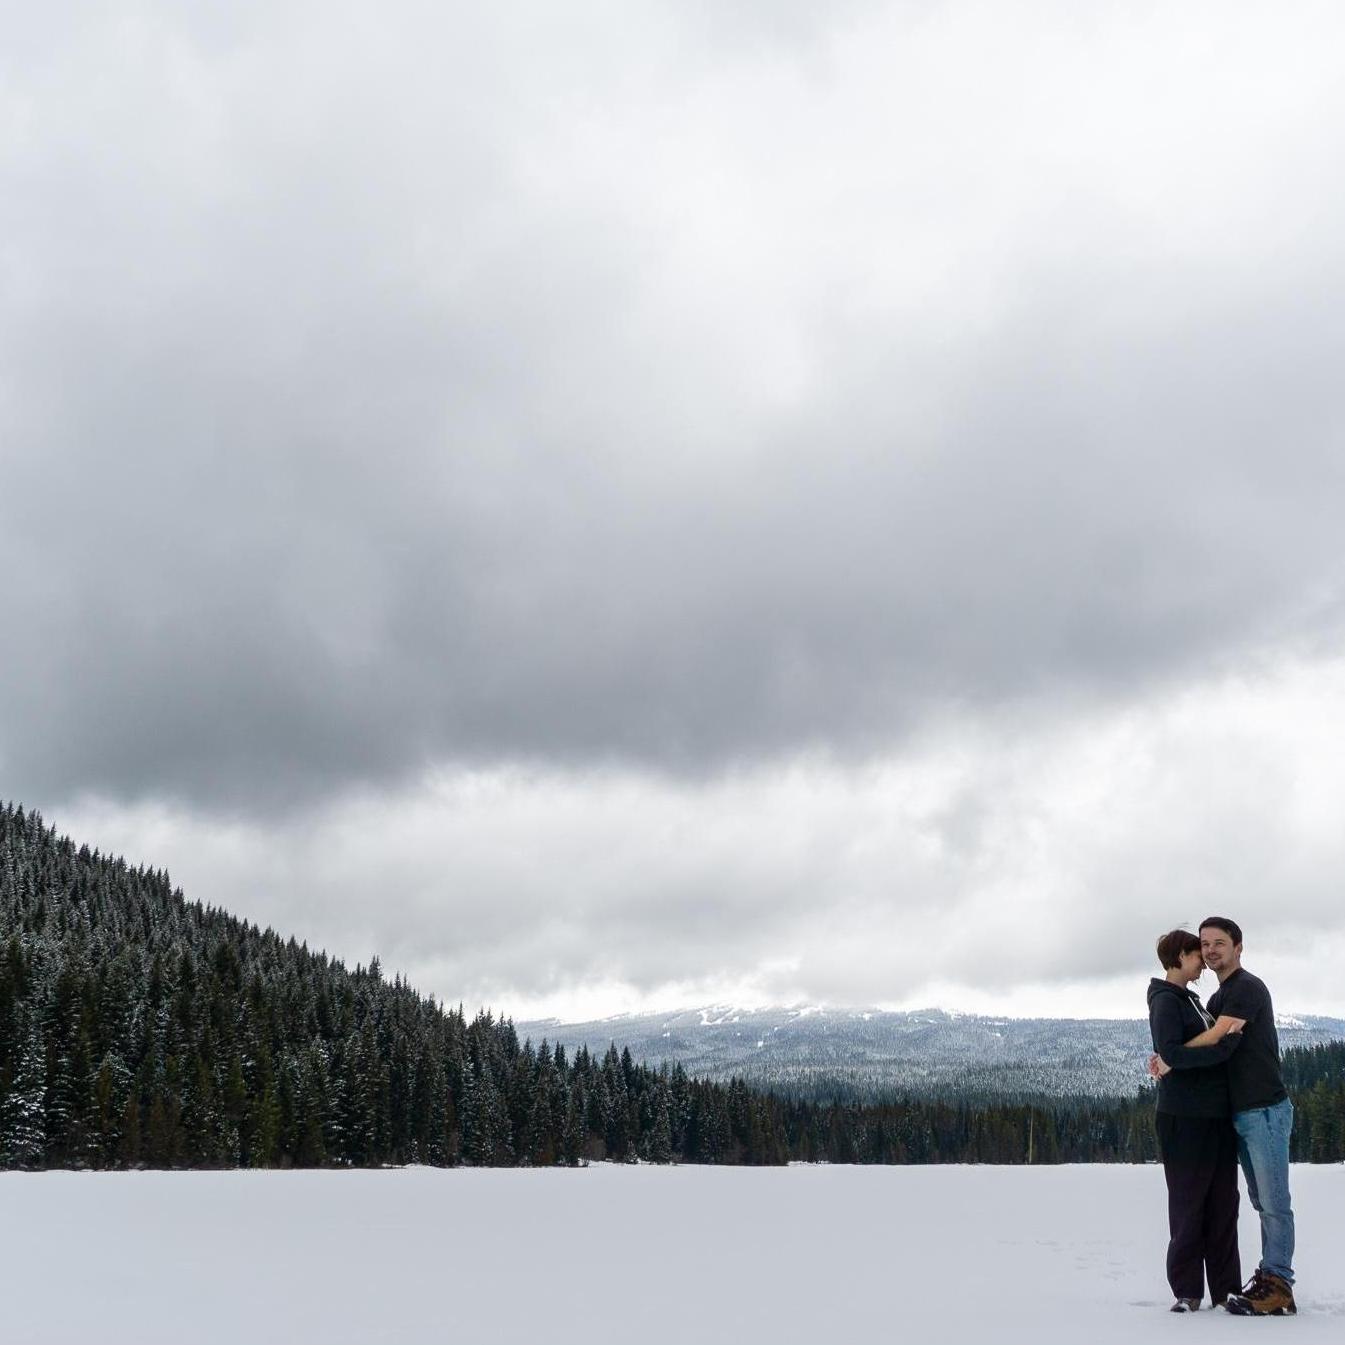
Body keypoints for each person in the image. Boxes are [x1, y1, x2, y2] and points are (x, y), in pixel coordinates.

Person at [1200, 917, 1296, 1316]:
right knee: (1261, 1200)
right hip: (1241, 1114)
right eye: (1205, 944)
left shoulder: (1246, 988)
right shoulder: (1217, 997)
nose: (1211, 950)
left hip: (1265, 1110)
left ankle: (1279, 1284)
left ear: (1238, 947)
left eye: (1219, 942)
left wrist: (1171, 1055)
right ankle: (1270, 1280)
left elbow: (1220, 1035)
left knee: (1274, 1203)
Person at [1147, 928, 1245, 1312]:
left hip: (1214, 1118)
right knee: (1189, 1205)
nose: (1203, 959)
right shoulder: (1166, 1001)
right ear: (1179, 957)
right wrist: (1226, 1048)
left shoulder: (1191, 1001)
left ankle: (1226, 1290)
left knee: (1223, 1203)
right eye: (1196, 953)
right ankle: (1187, 1291)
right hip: (1184, 1118)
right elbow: (1172, 1054)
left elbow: (1175, 1056)